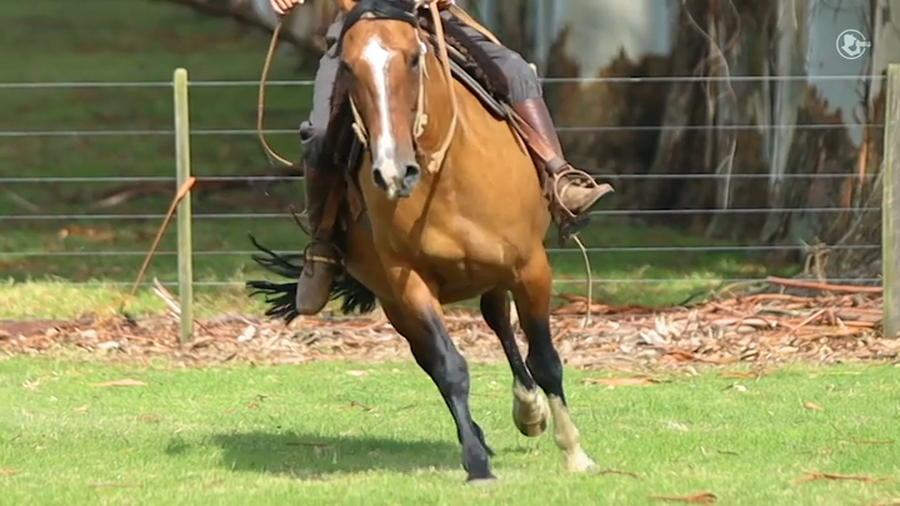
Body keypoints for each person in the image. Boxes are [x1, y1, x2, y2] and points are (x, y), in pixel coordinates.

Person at [271, 0, 609, 314]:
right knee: (319, 132)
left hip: (426, 20)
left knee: (517, 72)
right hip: (359, 32)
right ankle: (324, 243)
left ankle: (558, 175)